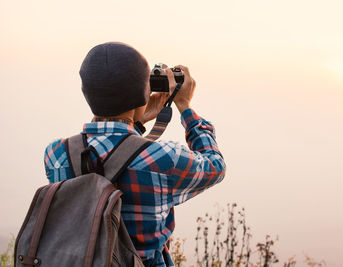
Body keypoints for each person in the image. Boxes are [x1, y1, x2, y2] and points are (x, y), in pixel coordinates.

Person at [43, 42, 226, 266]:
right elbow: (215, 166)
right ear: (143, 93)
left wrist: (135, 122)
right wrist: (185, 106)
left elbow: (107, 155)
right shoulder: (164, 159)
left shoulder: (56, 155)